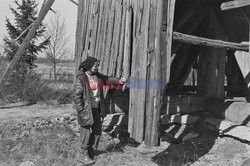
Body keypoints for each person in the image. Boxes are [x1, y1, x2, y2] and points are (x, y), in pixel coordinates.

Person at [73, 56, 126, 165]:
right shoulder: (81, 78)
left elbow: (108, 80)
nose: (97, 67)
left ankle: (91, 152)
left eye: (98, 65)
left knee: (97, 132)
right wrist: (81, 110)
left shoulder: (98, 76)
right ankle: (83, 155)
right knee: (86, 133)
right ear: (89, 66)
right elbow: (77, 96)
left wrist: (119, 81)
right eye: (95, 65)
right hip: (86, 109)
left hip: (97, 108)